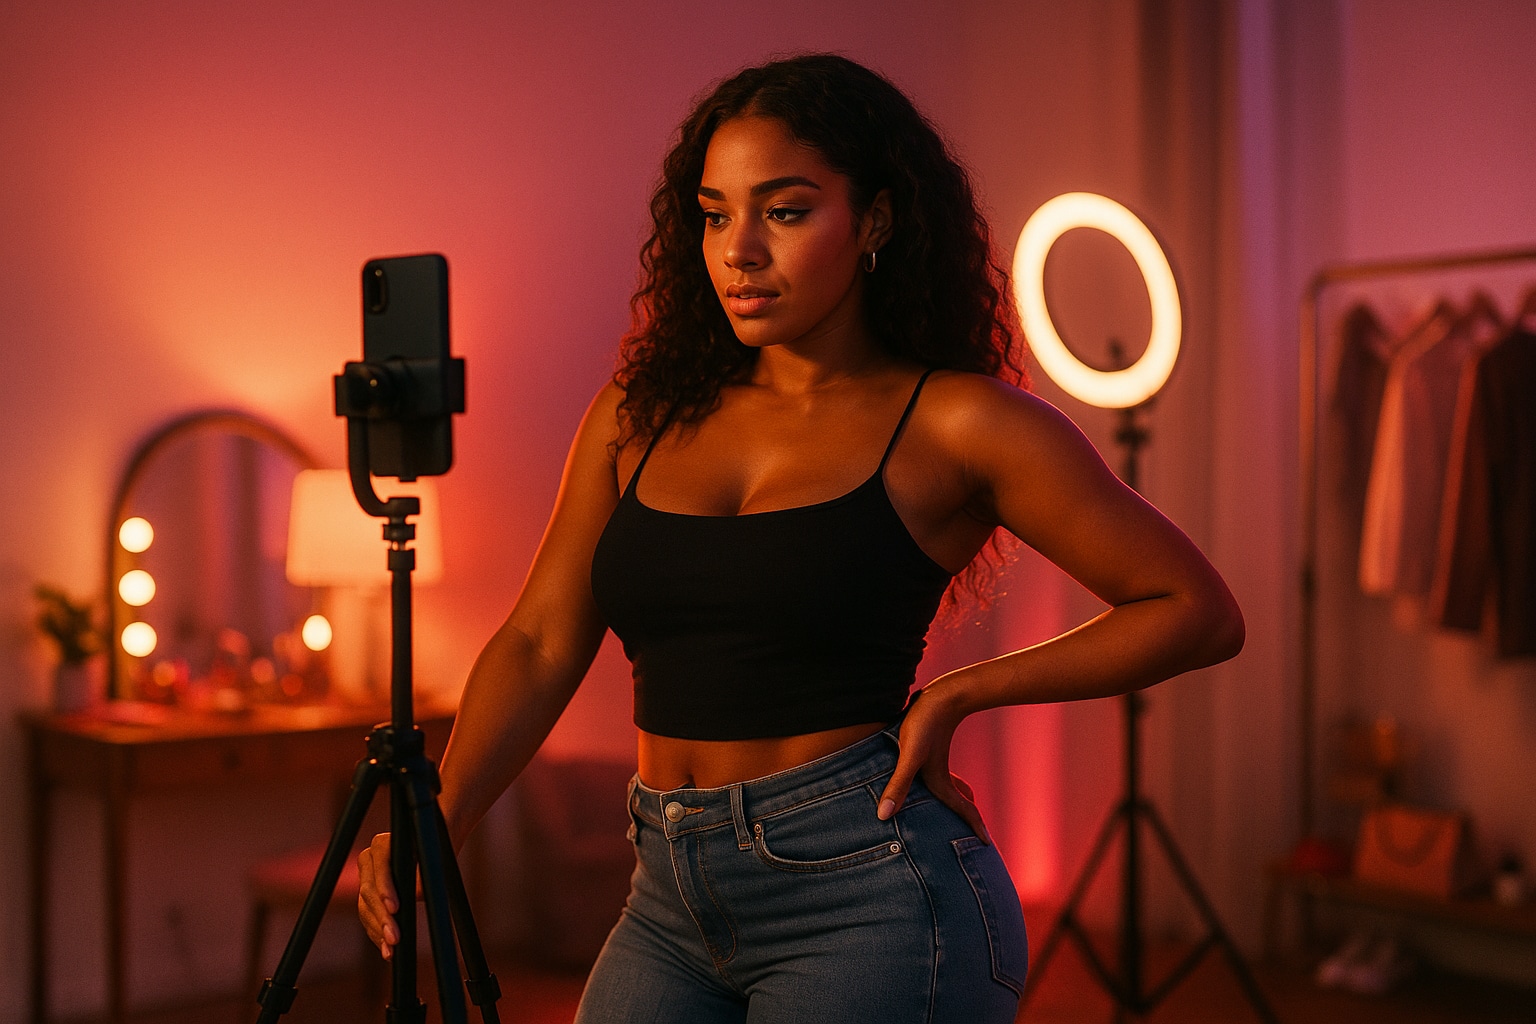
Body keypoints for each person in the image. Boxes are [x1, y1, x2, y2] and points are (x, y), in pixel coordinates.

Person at [357, 53, 1244, 1023]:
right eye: (713, 212)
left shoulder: (956, 422)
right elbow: (539, 640)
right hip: (665, 892)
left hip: (873, 891)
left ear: (874, 221)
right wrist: (434, 821)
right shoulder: (637, 414)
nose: (739, 248)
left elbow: (1194, 607)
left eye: (783, 211)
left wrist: (959, 693)